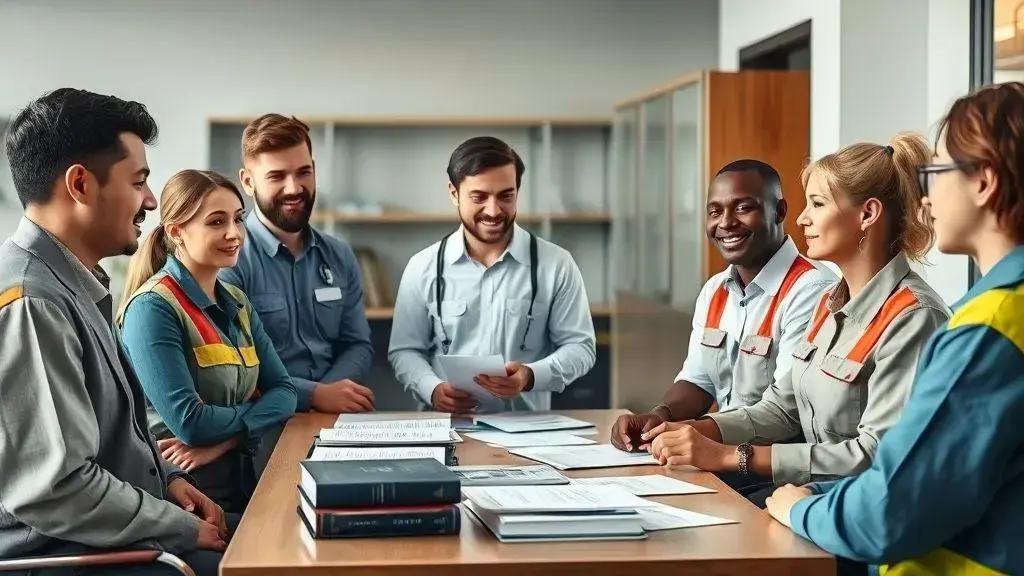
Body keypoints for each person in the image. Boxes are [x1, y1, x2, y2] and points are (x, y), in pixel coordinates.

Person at [765, 83, 1024, 575]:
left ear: (985, 182)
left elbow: (888, 511)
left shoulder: (989, 328)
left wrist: (797, 507)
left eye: (937, 171)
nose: (924, 194)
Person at [644, 134, 950, 505]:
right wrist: (697, 429)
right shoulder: (829, 303)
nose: (803, 219)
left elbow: (877, 454)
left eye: (817, 204)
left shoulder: (913, 316)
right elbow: (783, 407)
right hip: (814, 492)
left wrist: (729, 455)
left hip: (855, 508)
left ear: (867, 214)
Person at [0, 89, 228, 575]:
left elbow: (101, 438)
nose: (149, 200)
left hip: (96, 537)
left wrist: (165, 479)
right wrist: (179, 526)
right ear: (80, 184)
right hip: (59, 554)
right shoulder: (33, 302)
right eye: (140, 181)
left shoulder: (72, 283)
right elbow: (57, 488)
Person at [612, 160, 836, 451]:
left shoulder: (812, 289)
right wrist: (659, 417)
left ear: (779, 212)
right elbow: (698, 381)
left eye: (743, 208)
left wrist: (688, 431)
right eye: (715, 211)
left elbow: (786, 412)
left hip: (771, 468)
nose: (726, 223)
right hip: (719, 454)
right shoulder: (715, 290)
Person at [118, 170, 297, 514]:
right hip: (187, 499)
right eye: (216, 222)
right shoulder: (152, 308)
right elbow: (192, 423)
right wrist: (255, 414)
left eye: (238, 219)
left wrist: (227, 438)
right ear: (176, 231)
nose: (234, 234)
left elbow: (286, 393)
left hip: (244, 484)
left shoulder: (238, 302)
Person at [389, 136, 596, 413]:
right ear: (454, 193)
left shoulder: (557, 264)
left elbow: (581, 348)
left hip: (527, 434)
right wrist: (433, 389)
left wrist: (531, 375)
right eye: (479, 197)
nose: (493, 210)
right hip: (446, 427)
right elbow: (404, 350)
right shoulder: (422, 267)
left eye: (505, 196)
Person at [219, 114, 374, 415]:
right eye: (277, 176)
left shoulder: (339, 255)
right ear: (248, 183)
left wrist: (329, 394)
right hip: (265, 420)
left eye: (304, 172)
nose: (294, 188)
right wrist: (314, 395)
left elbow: (357, 344)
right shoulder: (230, 260)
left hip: (335, 416)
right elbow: (232, 364)